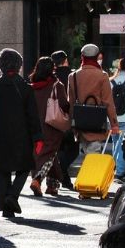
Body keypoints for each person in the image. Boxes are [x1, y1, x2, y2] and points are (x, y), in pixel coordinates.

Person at [0, 48, 42, 217]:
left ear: (0, 66)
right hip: (22, 135)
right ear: (19, 66)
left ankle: (6, 207)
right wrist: (37, 137)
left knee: (2, 171)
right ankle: (12, 197)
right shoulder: (26, 89)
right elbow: (33, 115)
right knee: (24, 168)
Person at [67, 44, 119, 156]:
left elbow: (70, 103)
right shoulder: (102, 76)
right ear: (97, 57)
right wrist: (114, 124)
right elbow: (108, 102)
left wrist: (71, 124)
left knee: (87, 155)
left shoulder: (73, 76)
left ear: (82, 57)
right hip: (97, 123)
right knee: (93, 158)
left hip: (80, 124)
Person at [29, 57, 68, 201]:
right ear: (52, 69)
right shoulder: (57, 85)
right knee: (50, 154)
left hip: (35, 124)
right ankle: (37, 179)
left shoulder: (31, 85)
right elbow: (64, 104)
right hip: (51, 124)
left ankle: (53, 185)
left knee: (44, 153)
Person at [51, 50, 76, 189]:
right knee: (74, 148)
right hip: (70, 117)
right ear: (65, 60)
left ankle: (64, 178)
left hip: (54, 118)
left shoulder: (51, 76)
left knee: (59, 149)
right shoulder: (73, 75)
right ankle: (63, 173)